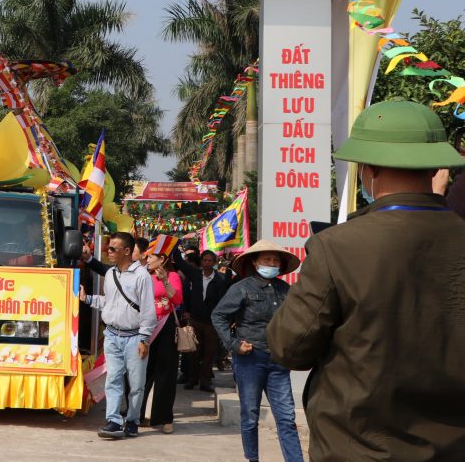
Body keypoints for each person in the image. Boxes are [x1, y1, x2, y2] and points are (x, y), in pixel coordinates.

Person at [268, 100, 465, 461]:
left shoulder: (337, 246)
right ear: (437, 169)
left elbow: (289, 348)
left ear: (367, 169)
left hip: (358, 447)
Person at [212, 239, 303, 462]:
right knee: (250, 415)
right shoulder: (241, 287)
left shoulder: (285, 290)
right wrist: (233, 344)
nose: (272, 263)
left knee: (286, 417)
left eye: (275, 260)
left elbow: (296, 320)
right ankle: (252, 458)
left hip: (278, 360)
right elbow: (219, 315)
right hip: (250, 359)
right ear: (255, 262)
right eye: (267, 259)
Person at [79, 232, 156, 440]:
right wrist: (88, 299)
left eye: (113, 249)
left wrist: (144, 338)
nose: (108, 252)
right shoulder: (111, 274)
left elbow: (149, 311)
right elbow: (109, 303)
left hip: (134, 338)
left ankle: (132, 420)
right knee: (113, 379)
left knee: (136, 384)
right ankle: (113, 421)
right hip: (112, 335)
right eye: (108, 248)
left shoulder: (142, 276)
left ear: (127, 251)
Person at [140, 236, 183, 434]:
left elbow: (178, 300)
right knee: (142, 374)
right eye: (147, 256)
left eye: (152, 256)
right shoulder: (142, 276)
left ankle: (165, 418)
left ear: (163, 259)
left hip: (165, 330)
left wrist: (165, 281)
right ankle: (138, 415)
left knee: (165, 375)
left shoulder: (173, 276)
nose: (147, 260)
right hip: (146, 329)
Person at [172, 246, 229, 392]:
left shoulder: (220, 279)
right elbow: (179, 262)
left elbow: (223, 301)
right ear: (201, 261)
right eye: (205, 260)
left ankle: (205, 381)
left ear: (214, 262)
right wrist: (174, 246)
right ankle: (192, 379)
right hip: (195, 320)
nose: (207, 263)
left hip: (211, 322)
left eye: (210, 260)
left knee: (209, 354)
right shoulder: (195, 274)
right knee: (193, 352)